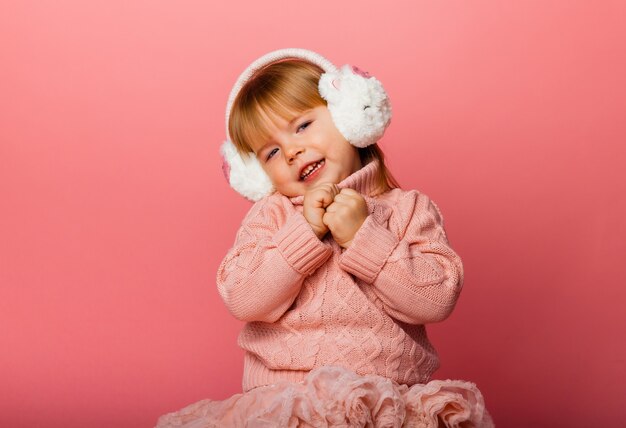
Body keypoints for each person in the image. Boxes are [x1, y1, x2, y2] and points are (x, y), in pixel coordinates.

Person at [156, 48, 493, 427]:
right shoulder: (272, 215)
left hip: (388, 404)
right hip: (289, 404)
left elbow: (437, 300)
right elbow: (243, 297)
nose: (292, 151)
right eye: (270, 152)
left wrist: (365, 237)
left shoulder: (408, 209)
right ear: (254, 174)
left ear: (349, 115)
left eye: (302, 126)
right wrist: (304, 233)